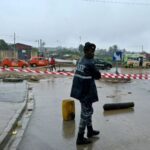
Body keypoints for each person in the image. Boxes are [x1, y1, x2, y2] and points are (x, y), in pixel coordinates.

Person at [70, 42, 101, 145]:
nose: (93, 53)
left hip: (80, 91)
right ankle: (80, 137)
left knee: (88, 111)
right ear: (86, 51)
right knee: (86, 114)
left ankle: (90, 131)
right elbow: (98, 76)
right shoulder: (89, 63)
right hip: (85, 92)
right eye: (91, 51)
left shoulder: (81, 59)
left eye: (94, 51)